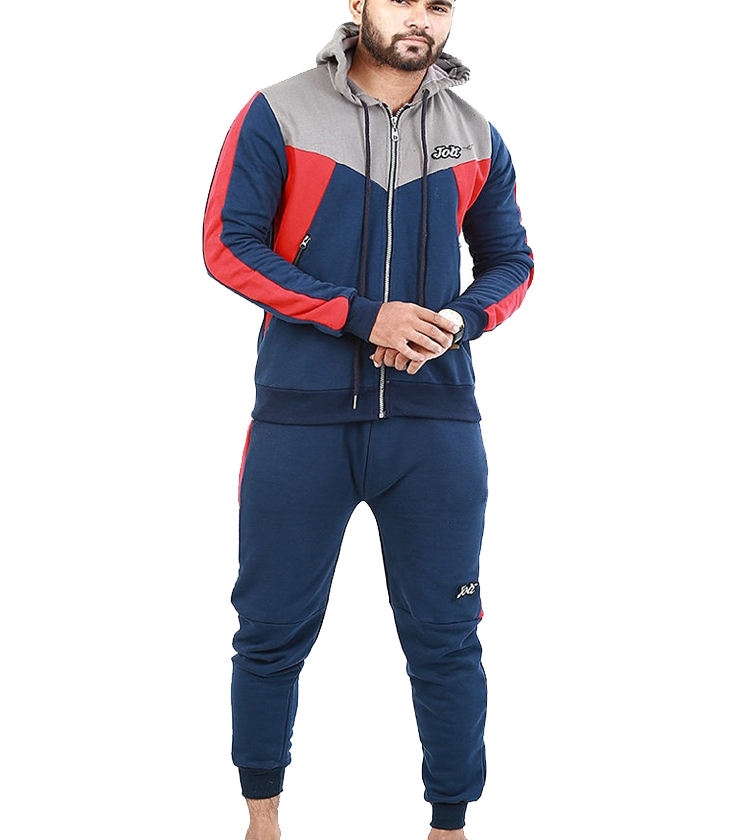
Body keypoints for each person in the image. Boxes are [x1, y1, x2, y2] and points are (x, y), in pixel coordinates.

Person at [202, 1, 534, 838]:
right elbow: (228, 245)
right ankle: (262, 821)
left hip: (435, 425)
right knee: (269, 631)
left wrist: (458, 321)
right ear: (358, 4)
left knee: (448, 637)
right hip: (298, 423)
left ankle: (450, 826)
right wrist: (361, 316)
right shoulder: (280, 112)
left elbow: (511, 262)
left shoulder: (476, 135)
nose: (418, 17)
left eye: (437, 4)